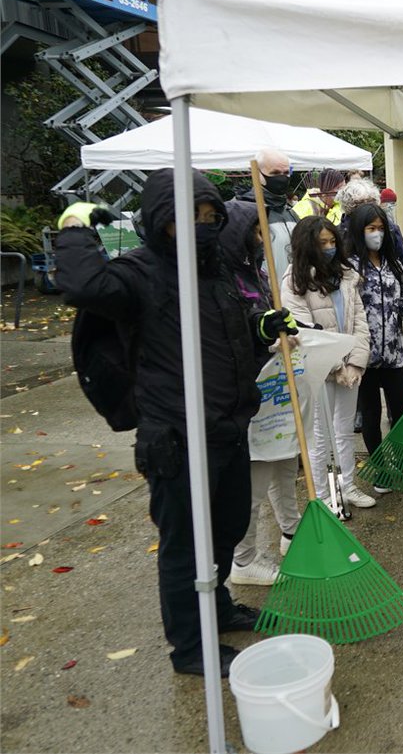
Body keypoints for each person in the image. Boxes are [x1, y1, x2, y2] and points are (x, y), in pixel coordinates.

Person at [54, 169, 298, 677]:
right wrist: (76, 224)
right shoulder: (138, 274)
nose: (202, 227)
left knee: (227, 527)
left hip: (228, 427)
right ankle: (190, 648)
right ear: (159, 221)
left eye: (210, 217)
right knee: (186, 544)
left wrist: (262, 327)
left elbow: (229, 340)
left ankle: (219, 608)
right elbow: (81, 285)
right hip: (177, 435)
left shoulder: (218, 273)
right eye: (188, 218)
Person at [217, 208, 302, 585]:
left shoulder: (258, 271)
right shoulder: (224, 279)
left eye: (261, 230)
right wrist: (262, 332)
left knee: (286, 464)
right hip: (248, 391)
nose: (259, 236)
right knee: (255, 478)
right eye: (253, 230)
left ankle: (292, 532)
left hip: (276, 387)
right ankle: (244, 560)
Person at [280, 216, 375, 510]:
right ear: (307, 245)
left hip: (350, 366)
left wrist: (356, 363)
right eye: (323, 243)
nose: (330, 248)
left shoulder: (347, 275)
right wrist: (336, 367)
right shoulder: (294, 281)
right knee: (319, 436)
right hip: (319, 370)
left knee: (344, 429)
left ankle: (348, 486)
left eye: (333, 241)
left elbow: (360, 320)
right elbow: (306, 332)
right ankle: (321, 496)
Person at [342, 203, 403, 483]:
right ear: (359, 231)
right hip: (364, 356)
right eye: (371, 228)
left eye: (381, 228)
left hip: (394, 353)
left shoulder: (393, 264)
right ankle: (380, 468)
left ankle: (402, 459)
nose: (377, 234)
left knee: (402, 412)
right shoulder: (349, 267)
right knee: (371, 415)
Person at [224, 148, 302, 292]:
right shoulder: (242, 214)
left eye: (286, 173)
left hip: (294, 297)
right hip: (262, 298)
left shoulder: (291, 213)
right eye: (275, 173)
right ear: (257, 173)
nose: (282, 178)